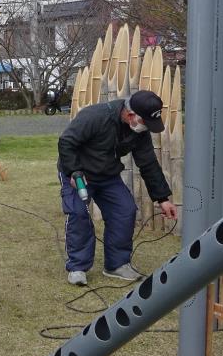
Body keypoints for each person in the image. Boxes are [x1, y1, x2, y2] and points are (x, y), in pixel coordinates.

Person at [57, 89, 178, 286]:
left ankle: (117, 265)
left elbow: (148, 163)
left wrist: (162, 198)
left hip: (108, 174)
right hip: (79, 174)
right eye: (145, 123)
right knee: (79, 213)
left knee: (125, 210)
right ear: (131, 115)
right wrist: (73, 171)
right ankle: (78, 267)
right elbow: (66, 142)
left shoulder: (139, 131)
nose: (146, 128)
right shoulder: (94, 117)